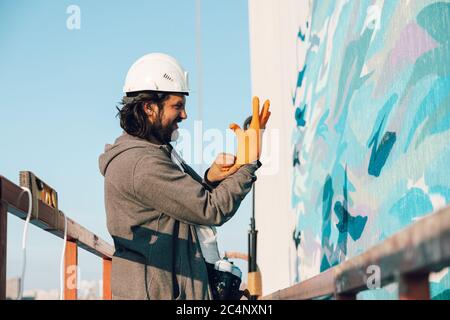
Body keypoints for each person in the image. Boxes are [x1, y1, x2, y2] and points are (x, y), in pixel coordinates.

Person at [98, 53, 270, 300]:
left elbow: (181, 207)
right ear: (149, 108)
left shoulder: (154, 152)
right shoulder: (142, 163)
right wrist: (249, 163)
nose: (184, 115)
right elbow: (210, 209)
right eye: (177, 106)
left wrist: (210, 180)